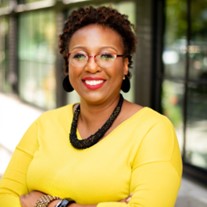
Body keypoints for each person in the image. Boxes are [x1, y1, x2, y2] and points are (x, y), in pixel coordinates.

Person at [0, 6, 182, 207]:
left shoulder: (153, 130)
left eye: (106, 55)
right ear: (67, 64)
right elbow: (5, 196)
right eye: (79, 55)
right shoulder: (45, 124)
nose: (92, 66)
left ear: (125, 65)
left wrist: (51, 204)